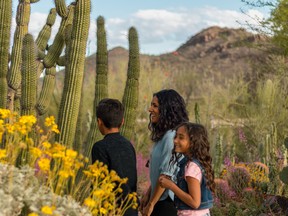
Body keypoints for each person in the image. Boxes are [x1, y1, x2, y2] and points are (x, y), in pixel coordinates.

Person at [140, 89, 189, 216]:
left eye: (155, 106)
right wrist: (148, 194)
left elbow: (166, 175)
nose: (150, 109)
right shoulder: (164, 136)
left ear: (167, 109)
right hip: (159, 200)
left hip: (167, 204)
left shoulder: (171, 137)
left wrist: (151, 204)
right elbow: (160, 172)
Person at [91, 98, 138, 216]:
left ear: (99, 122)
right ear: (122, 122)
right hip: (130, 207)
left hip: (110, 209)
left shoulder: (99, 147)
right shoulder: (129, 145)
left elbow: (99, 182)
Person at [159, 122, 215, 216]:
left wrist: (171, 186)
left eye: (181, 137)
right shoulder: (194, 162)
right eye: (175, 136)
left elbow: (194, 202)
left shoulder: (192, 167)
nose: (175, 141)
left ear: (193, 142)